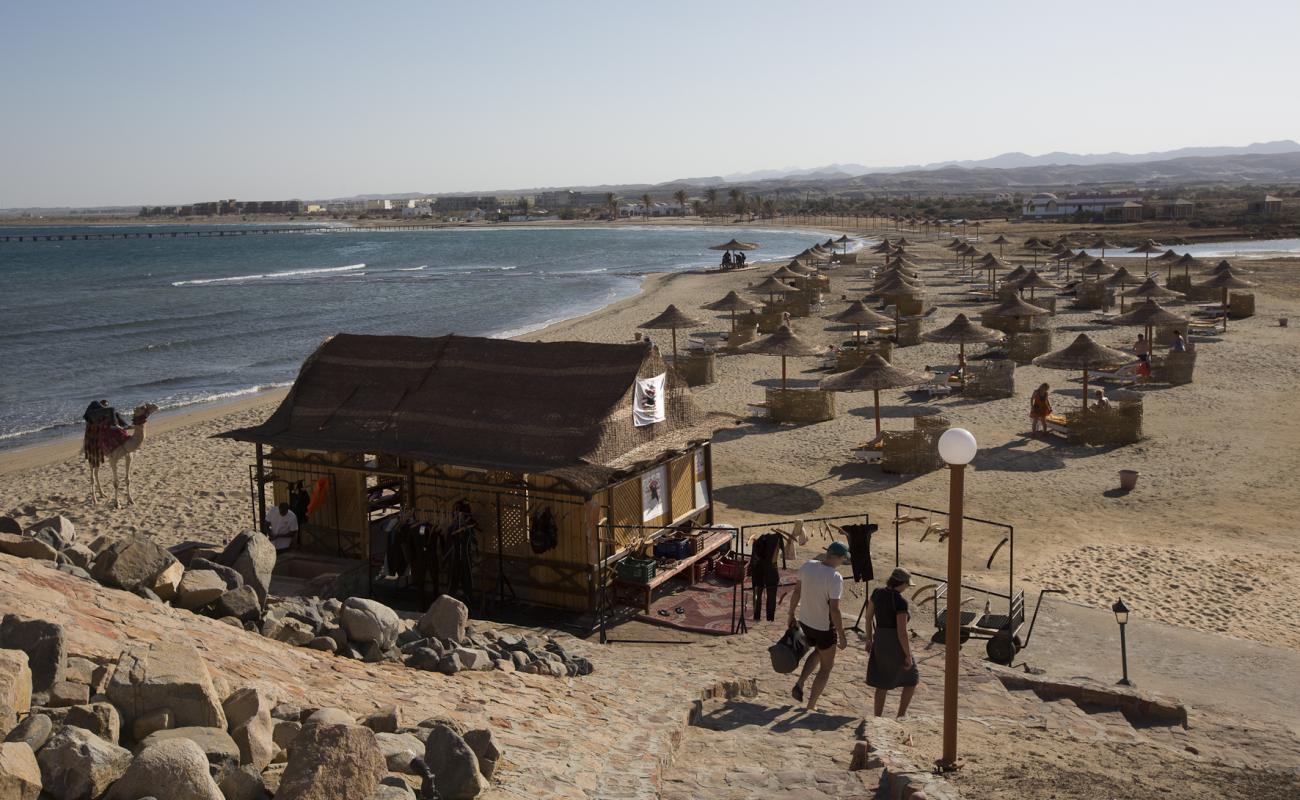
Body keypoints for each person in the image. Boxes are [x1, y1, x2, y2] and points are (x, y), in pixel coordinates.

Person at [786, 541, 849, 711]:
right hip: (824, 628)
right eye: (843, 559)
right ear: (838, 558)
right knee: (826, 667)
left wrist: (791, 614)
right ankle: (811, 705)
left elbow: (797, 592)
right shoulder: (835, 577)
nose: (843, 562)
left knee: (817, 652)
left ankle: (800, 683)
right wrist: (842, 635)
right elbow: (834, 610)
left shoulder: (807, 565)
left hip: (805, 622)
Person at [865, 568, 919, 718]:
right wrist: (908, 655)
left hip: (880, 639)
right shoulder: (900, 601)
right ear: (901, 583)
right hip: (894, 641)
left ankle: (877, 716)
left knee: (882, 681)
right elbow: (902, 632)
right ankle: (901, 715)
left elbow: (868, 617)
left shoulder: (877, 593)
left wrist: (869, 639)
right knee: (912, 679)